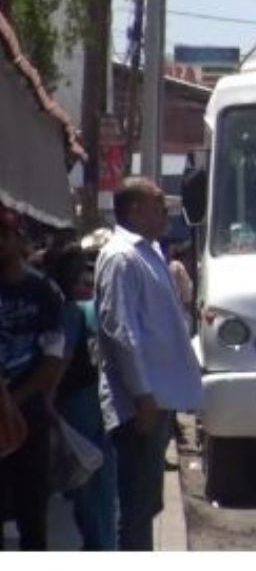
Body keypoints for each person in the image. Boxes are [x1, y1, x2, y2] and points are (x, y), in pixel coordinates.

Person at [96, 178, 203, 550]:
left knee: (146, 505)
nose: (166, 211)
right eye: (158, 204)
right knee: (136, 509)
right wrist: (142, 397)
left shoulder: (149, 253)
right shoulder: (121, 257)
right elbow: (120, 331)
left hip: (159, 400)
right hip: (142, 404)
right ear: (136, 210)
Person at [42, 242, 117, 550]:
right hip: (93, 396)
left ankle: (98, 542)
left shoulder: (67, 310)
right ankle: (103, 542)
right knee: (98, 473)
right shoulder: (85, 307)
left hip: (76, 400)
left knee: (84, 475)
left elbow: (63, 357)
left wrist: (48, 398)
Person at [0, 204, 66, 550]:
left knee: (32, 518)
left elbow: (53, 359)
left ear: (18, 238)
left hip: (28, 420)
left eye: (3, 235)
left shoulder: (43, 292)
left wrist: (14, 400)